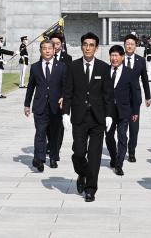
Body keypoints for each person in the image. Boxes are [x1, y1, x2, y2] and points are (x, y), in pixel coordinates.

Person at [61, 32, 113, 202]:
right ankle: (82, 174)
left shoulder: (104, 68)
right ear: (82, 46)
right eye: (85, 44)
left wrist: (109, 115)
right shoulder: (73, 66)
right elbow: (68, 92)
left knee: (95, 155)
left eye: (91, 45)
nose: (88, 48)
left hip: (97, 118)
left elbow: (108, 94)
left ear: (96, 48)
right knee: (78, 153)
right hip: (79, 117)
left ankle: (91, 188)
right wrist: (65, 113)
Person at [24, 40, 66, 171]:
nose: (47, 51)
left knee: (54, 134)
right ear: (40, 51)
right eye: (44, 48)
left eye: (49, 48)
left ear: (54, 50)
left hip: (56, 106)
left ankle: (53, 157)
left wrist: (64, 97)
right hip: (40, 106)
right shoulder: (35, 67)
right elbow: (30, 87)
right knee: (40, 133)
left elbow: (66, 86)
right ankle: (39, 160)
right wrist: (27, 104)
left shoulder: (62, 66)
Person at [104, 44, 140, 176]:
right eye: (112, 55)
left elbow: (136, 93)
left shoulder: (130, 73)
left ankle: (119, 164)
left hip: (124, 110)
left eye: (116, 55)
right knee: (109, 137)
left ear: (122, 57)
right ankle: (113, 157)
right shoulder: (104, 70)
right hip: (108, 111)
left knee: (122, 137)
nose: (114, 58)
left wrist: (135, 111)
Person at [122, 34, 151, 163]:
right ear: (124, 45)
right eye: (127, 44)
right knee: (122, 128)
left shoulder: (140, 60)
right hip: (121, 100)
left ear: (136, 46)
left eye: (132, 44)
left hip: (135, 100)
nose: (129, 46)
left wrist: (148, 96)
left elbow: (144, 79)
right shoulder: (119, 58)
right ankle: (121, 149)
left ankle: (131, 151)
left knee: (134, 129)